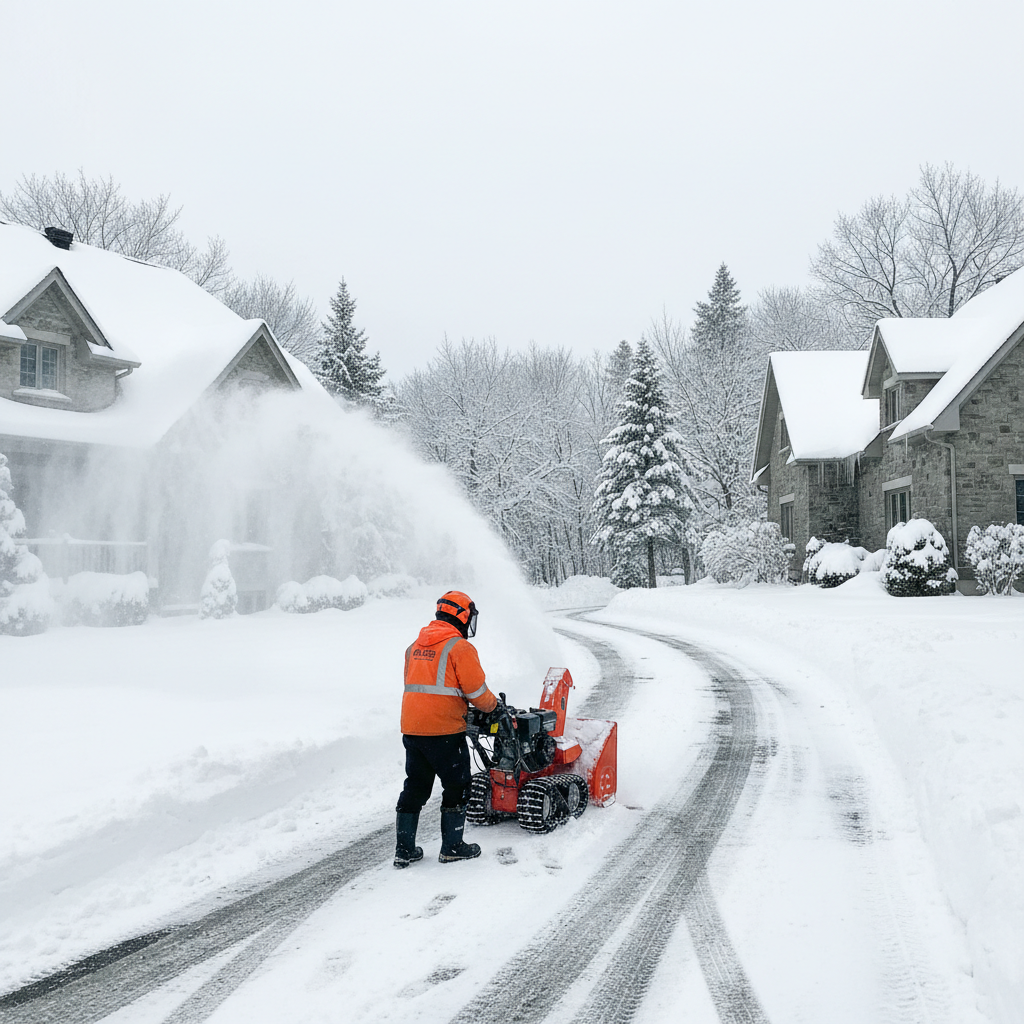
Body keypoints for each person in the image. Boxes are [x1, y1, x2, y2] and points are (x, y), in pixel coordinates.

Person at [395, 590, 499, 867]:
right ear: (463, 617)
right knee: (457, 786)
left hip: (412, 729)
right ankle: (453, 846)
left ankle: (404, 850)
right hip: (444, 732)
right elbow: (476, 691)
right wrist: (493, 706)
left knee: (415, 786)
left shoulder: (414, 646)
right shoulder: (459, 648)